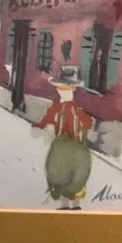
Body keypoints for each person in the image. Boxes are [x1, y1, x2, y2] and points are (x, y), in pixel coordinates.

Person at [32, 65, 94, 210]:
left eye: (65, 88)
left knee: (78, 174)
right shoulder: (56, 107)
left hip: (77, 148)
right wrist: (39, 126)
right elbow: (46, 119)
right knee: (58, 173)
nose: (62, 91)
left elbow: (88, 123)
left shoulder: (78, 109)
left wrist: (84, 125)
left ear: (73, 89)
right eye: (60, 88)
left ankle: (76, 204)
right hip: (60, 147)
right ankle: (64, 204)